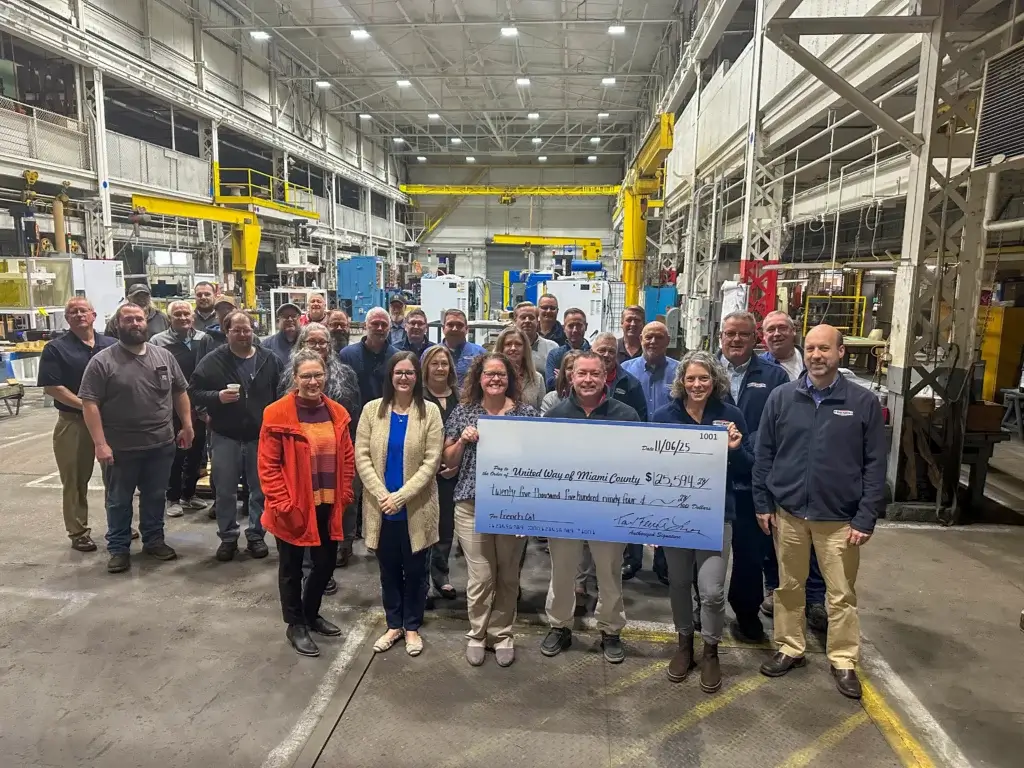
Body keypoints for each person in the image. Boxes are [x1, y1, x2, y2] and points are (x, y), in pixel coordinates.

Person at [753, 325, 886, 700]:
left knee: (840, 594)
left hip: (840, 519)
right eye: (810, 348)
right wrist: (763, 503)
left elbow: (876, 464)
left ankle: (843, 659)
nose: (816, 355)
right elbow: (764, 454)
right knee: (789, 586)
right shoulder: (781, 398)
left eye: (824, 348)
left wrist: (865, 517)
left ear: (840, 353)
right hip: (790, 513)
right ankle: (790, 647)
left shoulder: (862, 403)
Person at [652, 351, 750, 693]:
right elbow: (650, 470)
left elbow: (746, 470)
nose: (697, 385)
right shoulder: (664, 417)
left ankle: (710, 650)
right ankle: (684, 646)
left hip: (715, 514)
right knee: (678, 583)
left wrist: (736, 450)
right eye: (691, 379)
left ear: (715, 382)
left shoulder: (731, 416)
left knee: (711, 591)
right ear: (681, 382)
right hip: (674, 514)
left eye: (704, 379)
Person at [541, 352, 640, 664]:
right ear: (571, 377)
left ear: (605, 377)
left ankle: (610, 630)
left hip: (608, 512)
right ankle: (560, 626)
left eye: (594, 374)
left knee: (609, 573)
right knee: (562, 573)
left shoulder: (626, 416)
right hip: (565, 511)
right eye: (581, 373)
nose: (587, 380)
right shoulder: (555, 416)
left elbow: (637, 466)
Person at [79, 304, 194, 573]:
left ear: (147, 322)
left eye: (139, 319)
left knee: (155, 497)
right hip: (121, 448)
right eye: (128, 319)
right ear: (117, 325)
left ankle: (154, 540)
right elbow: (90, 403)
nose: (135, 323)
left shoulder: (163, 356)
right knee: (119, 501)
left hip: (161, 445)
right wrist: (100, 443)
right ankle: (119, 549)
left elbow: (180, 392)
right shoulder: (102, 361)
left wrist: (187, 425)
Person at [442, 353, 538, 667]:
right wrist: (462, 442)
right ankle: (477, 634)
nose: (495, 379)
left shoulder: (527, 414)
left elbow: (537, 462)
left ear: (510, 378)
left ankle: (502, 634)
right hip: (471, 505)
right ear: (479, 379)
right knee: (481, 576)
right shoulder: (464, 412)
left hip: (511, 507)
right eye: (489, 374)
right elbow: (449, 463)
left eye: (500, 374)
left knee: (508, 575)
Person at [259, 349, 356, 657]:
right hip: (292, 505)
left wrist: (344, 492)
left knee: (326, 563)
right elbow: (268, 464)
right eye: (306, 376)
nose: (313, 382)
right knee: (290, 567)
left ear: (325, 376)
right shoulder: (277, 414)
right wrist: (282, 501)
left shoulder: (337, 413)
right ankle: (295, 624)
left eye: (318, 375)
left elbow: (347, 457)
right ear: (295, 378)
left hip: (328, 502)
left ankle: (310, 613)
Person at [356, 352, 443, 656]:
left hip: (415, 508)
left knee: (417, 572)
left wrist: (402, 496)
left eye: (409, 373)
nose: (404, 378)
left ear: (417, 378)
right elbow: (362, 456)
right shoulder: (371, 411)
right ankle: (394, 624)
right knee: (388, 571)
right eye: (399, 372)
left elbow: (432, 461)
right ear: (390, 377)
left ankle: (412, 627)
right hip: (381, 509)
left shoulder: (429, 412)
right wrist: (383, 495)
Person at [717, 310, 791, 643]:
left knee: (749, 553)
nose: (736, 340)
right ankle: (703, 608)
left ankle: (746, 613)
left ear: (755, 338)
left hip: (751, 477)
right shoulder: (704, 371)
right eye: (730, 334)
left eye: (743, 335)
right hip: (709, 478)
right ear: (720, 337)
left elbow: (777, 425)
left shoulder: (774, 377)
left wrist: (743, 447)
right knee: (705, 550)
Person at [189, 310, 282, 561]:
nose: (243, 334)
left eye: (247, 329)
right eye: (237, 330)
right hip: (225, 437)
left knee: (259, 491)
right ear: (226, 332)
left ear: (254, 331)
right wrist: (216, 398)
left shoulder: (269, 359)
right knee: (225, 491)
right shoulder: (213, 360)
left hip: (260, 437)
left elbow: (282, 393)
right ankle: (228, 537)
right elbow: (194, 391)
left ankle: (256, 535)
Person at [278, 322, 362, 575]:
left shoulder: (346, 374)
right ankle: (308, 558)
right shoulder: (288, 375)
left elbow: (354, 413)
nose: (317, 346)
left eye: (322, 342)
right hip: (302, 455)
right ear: (301, 345)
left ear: (330, 345)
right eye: (311, 341)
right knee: (308, 503)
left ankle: (342, 546)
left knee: (344, 500)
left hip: (338, 452)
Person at [37, 297, 116, 552]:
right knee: (75, 480)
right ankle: (78, 531)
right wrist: (88, 407)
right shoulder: (56, 349)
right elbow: (53, 387)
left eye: (83, 310)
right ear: (67, 318)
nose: (79, 314)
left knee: (117, 477)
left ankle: (119, 523)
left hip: (112, 423)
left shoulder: (112, 345)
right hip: (74, 423)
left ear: (93, 315)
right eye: (73, 312)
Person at [620, 321, 677, 584]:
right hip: (633, 449)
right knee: (632, 502)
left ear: (668, 341)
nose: (653, 342)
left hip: (670, 451)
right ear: (640, 339)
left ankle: (663, 562)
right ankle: (632, 558)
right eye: (648, 337)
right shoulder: (626, 371)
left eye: (658, 337)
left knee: (664, 505)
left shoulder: (679, 372)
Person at [151, 301, 209, 518]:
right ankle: (172, 497)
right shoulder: (158, 341)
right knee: (175, 452)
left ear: (193, 316)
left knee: (196, 451)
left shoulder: (203, 339)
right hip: (173, 404)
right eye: (178, 315)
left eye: (186, 314)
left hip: (199, 403)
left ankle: (189, 494)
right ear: (169, 319)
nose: (183, 318)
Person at [422, 345, 461, 602]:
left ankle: (441, 576)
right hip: (424, 472)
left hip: (453, 472)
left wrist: (453, 465)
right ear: (426, 367)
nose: (439, 368)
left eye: (444, 363)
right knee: (425, 527)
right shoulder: (418, 396)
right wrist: (434, 464)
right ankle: (422, 582)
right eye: (434, 363)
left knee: (446, 527)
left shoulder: (460, 396)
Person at [339, 307, 399, 407]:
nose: (380, 328)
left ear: (389, 328)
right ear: (365, 326)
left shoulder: (397, 357)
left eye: (384, 324)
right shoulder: (347, 355)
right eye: (375, 324)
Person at [591, 331, 647, 420]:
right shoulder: (582, 380)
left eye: (611, 351)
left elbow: (640, 419)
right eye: (602, 350)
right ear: (591, 352)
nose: (606, 355)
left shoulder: (632, 384)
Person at [494, 326, 545, 410]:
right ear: (501, 348)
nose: (513, 348)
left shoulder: (537, 379)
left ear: (525, 349)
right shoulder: (491, 378)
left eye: (518, 344)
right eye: (508, 344)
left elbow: (540, 413)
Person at [545, 308, 591, 390]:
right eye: (570, 326)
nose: (575, 330)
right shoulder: (555, 354)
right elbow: (550, 384)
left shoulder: (593, 354)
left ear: (586, 326)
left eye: (579, 325)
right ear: (564, 328)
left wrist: (562, 376)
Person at [104, 283, 169, 340]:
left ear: (149, 298)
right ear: (129, 299)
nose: (141, 300)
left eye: (144, 297)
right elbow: (108, 342)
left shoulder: (161, 318)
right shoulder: (118, 319)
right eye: (137, 297)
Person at [439, 308, 486, 385]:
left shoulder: (480, 353)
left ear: (467, 329)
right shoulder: (430, 354)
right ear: (443, 328)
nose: (454, 329)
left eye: (460, 325)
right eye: (450, 325)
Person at [514, 302, 558, 373]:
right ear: (515, 321)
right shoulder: (507, 348)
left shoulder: (552, 348)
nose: (527, 321)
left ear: (537, 321)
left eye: (531, 318)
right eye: (523, 317)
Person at [761, 310, 805, 381]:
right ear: (764, 335)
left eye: (782, 328)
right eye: (771, 330)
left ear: (793, 330)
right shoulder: (757, 367)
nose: (777, 334)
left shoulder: (809, 359)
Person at [540, 351, 581, 415]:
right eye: (570, 368)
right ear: (563, 372)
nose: (574, 372)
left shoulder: (592, 399)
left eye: (579, 368)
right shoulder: (551, 399)